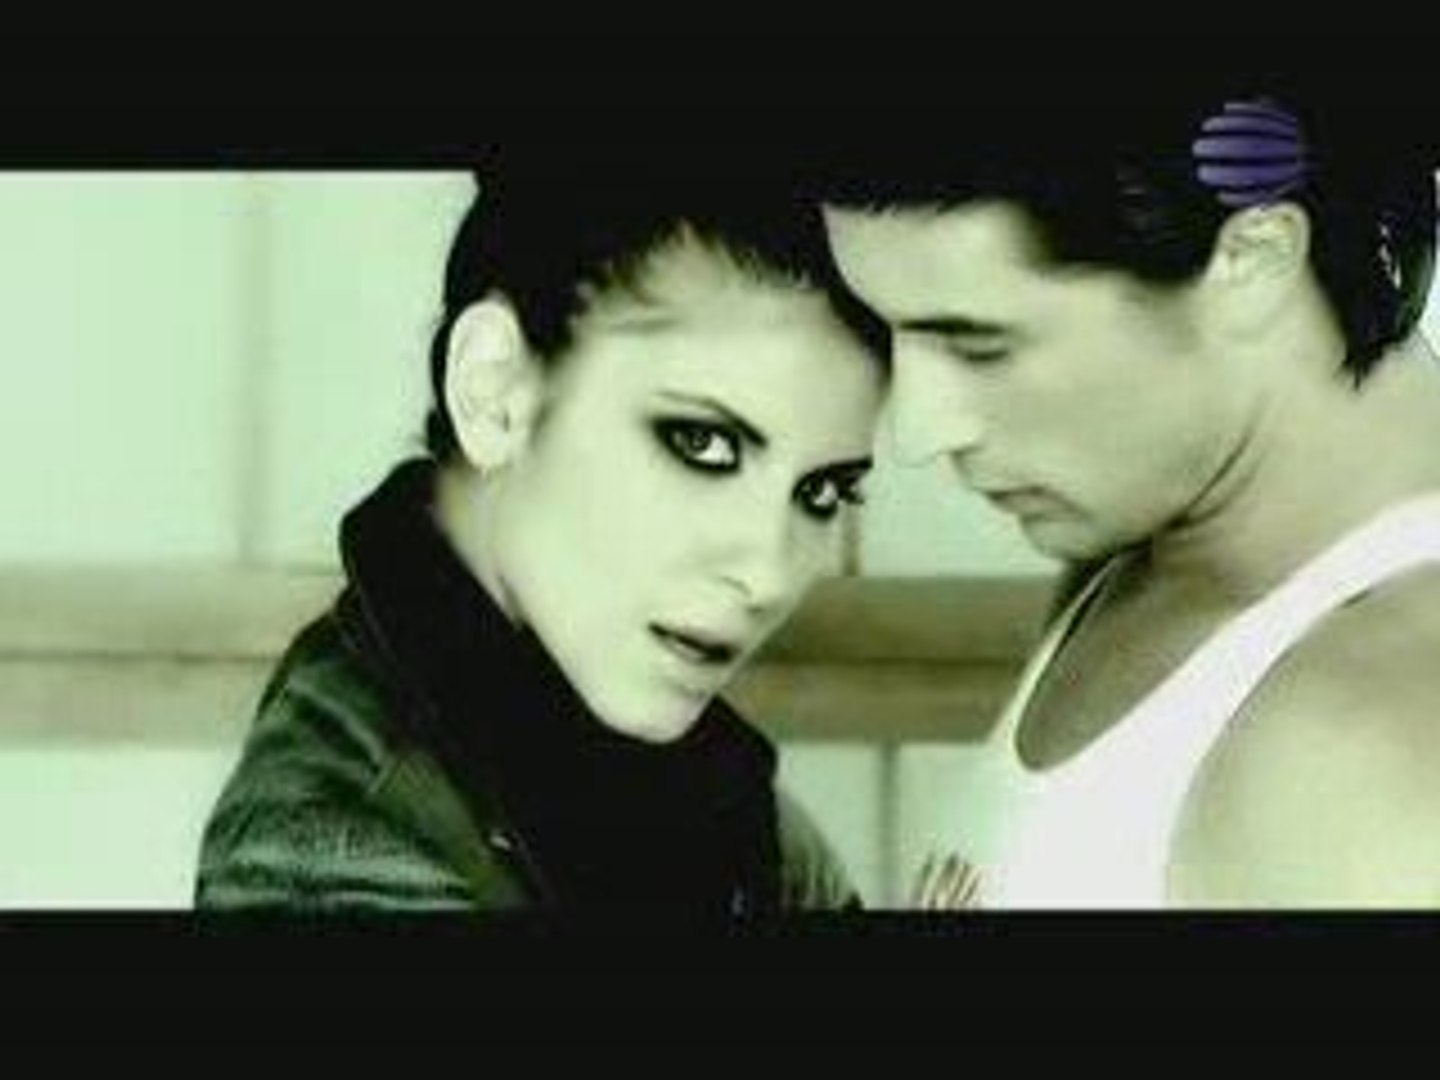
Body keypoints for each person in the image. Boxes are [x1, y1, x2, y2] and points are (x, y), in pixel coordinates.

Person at [195, 145, 890, 915]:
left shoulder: (692, 770)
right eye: (701, 444)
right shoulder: (338, 857)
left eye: (821, 491)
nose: (768, 573)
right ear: (495, 393)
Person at [820, 81, 1440, 907]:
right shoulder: (1140, 548)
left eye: (978, 346)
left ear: (1252, 261)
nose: (918, 432)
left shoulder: (1373, 749)